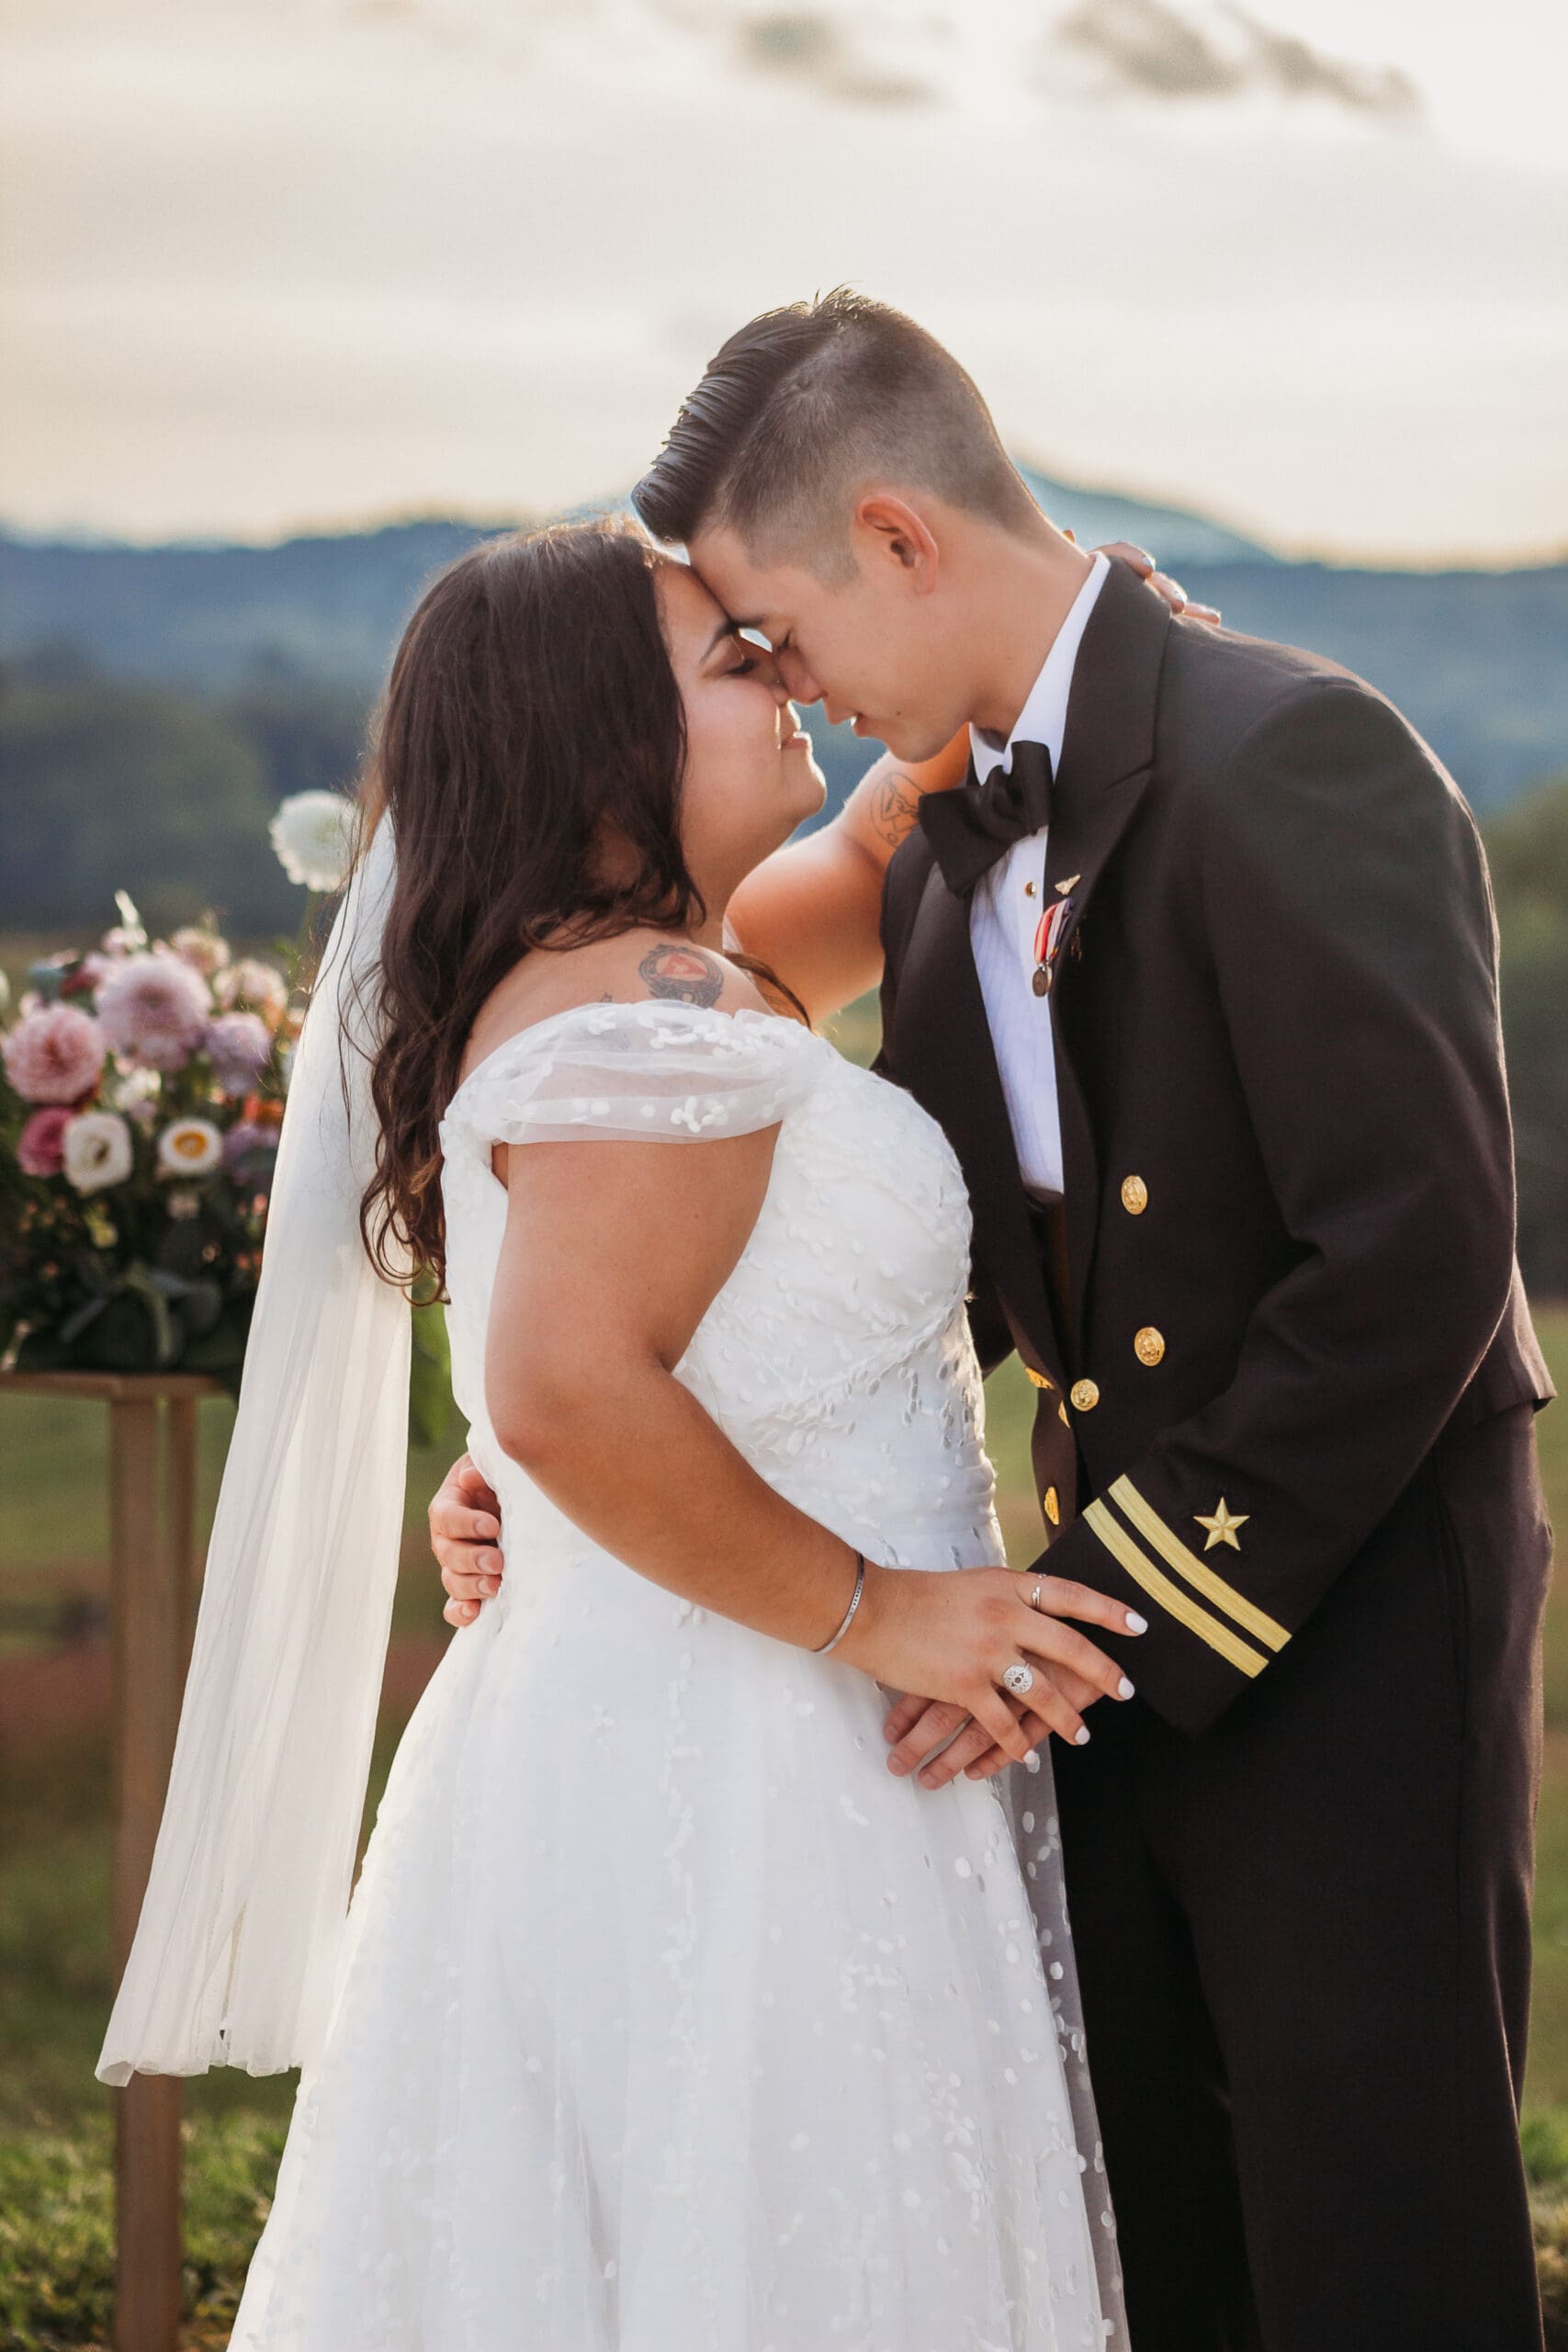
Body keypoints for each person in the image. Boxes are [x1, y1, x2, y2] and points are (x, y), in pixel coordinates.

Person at [433, 292, 1557, 2351]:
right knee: (1160, 2222)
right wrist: (540, 1453)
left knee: (1367, 2210)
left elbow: (1410, 1248)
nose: (789, 687)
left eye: (777, 631)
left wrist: (1086, 1613)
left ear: (897, 537)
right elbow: (884, 1262)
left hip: (1329, 1593)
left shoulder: (1287, 742)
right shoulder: (938, 858)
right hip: (1063, 1642)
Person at [97, 507, 1199, 2347]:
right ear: (601, 744)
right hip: (759, 1767)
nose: (787, 683)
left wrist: (1048, 623)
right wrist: (884, 1608)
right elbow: (564, 1384)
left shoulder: (656, 971)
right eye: (733, 661)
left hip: (665, 1732)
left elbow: (866, 849)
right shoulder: (648, 1025)